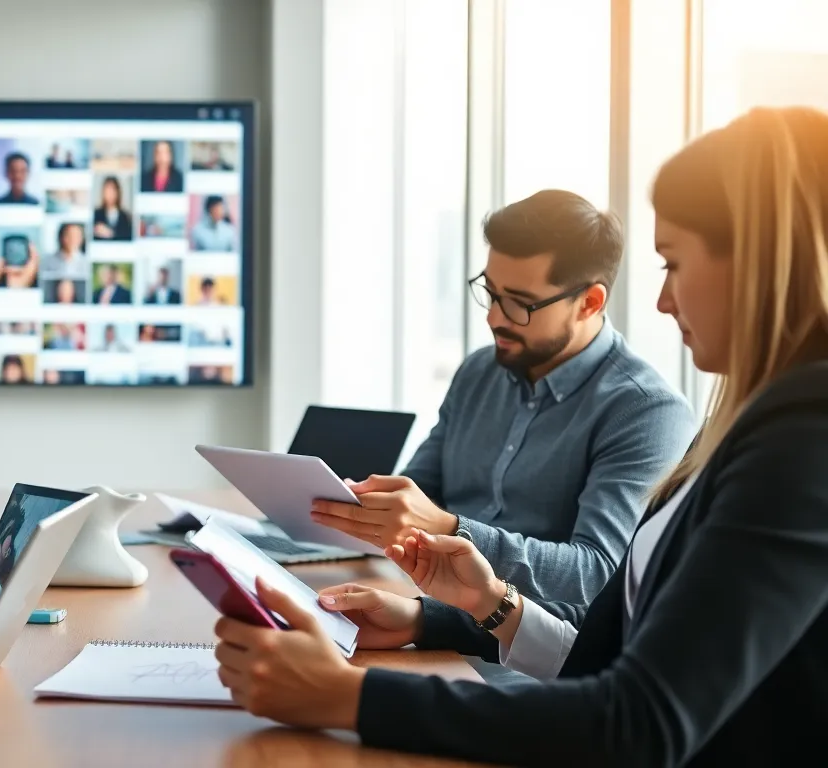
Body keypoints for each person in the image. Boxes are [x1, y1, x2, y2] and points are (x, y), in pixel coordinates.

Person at [213, 106, 828, 767]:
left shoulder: (799, 445)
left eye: (673, 264)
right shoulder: (745, 425)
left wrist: (347, 697)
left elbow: (638, 722)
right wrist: (471, 607)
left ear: (760, 263)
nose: (663, 301)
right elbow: (610, 663)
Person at [310, 189, 695, 606]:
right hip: (423, 605)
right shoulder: (479, 372)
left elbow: (597, 576)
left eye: (519, 304)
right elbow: (418, 490)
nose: (494, 318)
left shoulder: (646, 412)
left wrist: (451, 529)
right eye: (491, 292)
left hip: (522, 654)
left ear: (589, 302)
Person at [92, 176, 134, 240]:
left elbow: (128, 237)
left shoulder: (125, 216)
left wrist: (111, 234)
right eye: (107, 190)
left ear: (118, 192)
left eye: (112, 190)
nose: (110, 194)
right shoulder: (96, 214)